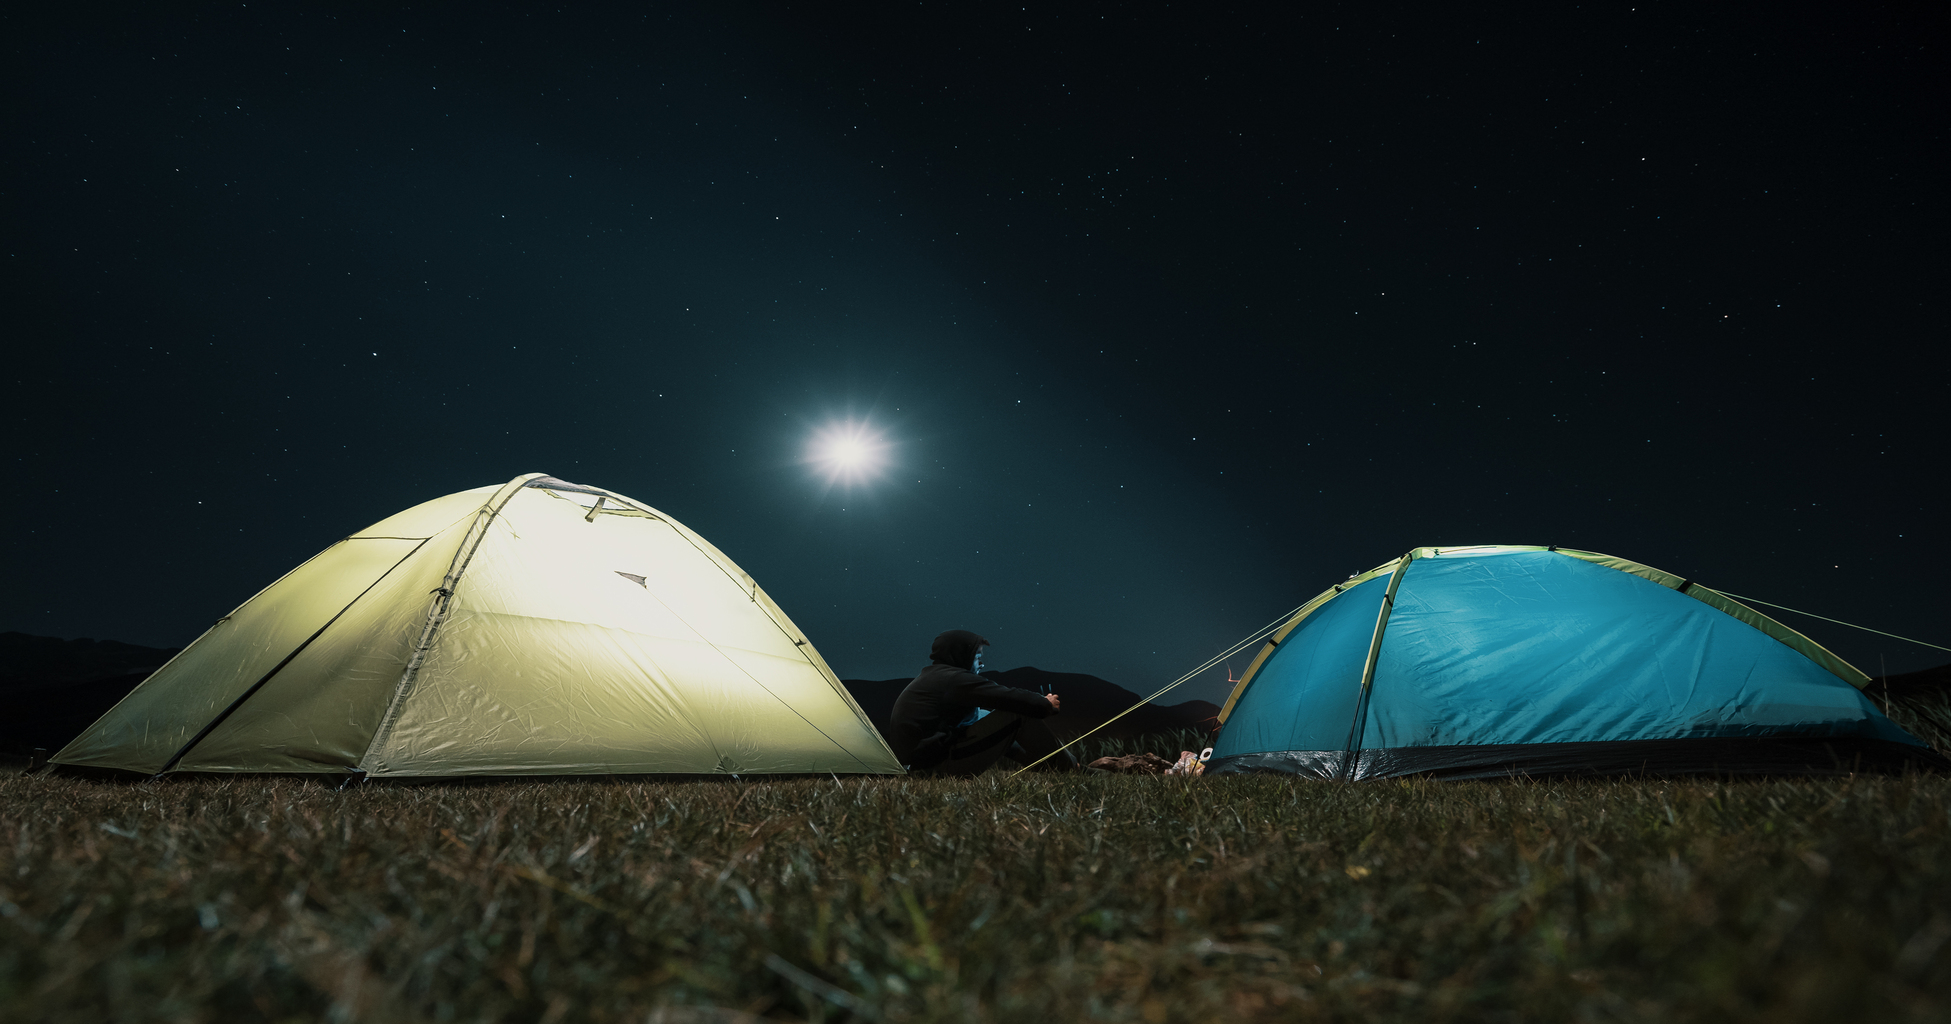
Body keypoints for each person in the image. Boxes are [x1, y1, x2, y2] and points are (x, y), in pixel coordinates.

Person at [887, 629, 1078, 775]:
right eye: (977, 657)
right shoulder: (953, 679)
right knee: (1019, 712)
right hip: (934, 766)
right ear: (961, 656)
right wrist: (1045, 703)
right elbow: (1009, 698)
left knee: (985, 715)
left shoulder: (936, 677)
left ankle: (1050, 766)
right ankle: (1073, 770)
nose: (982, 664)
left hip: (924, 763)